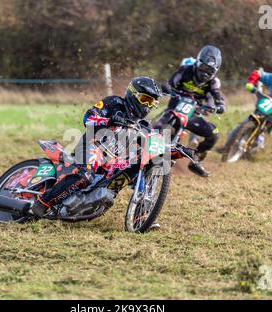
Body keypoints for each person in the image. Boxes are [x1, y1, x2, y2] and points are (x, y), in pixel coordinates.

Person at [31, 76, 195, 218]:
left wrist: (177, 149)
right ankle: (43, 202)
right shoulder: (114, 103)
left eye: (153, 103)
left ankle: (143, 215)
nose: (148, 106)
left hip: (111, 161)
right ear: (134, 94)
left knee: (138, 171)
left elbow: (155, 143)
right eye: (146, 100)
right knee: (85, 175)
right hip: (92, 145)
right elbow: (88, 118)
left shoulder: (143, 125)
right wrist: (110, 120)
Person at [159, 45, 227, 177]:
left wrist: (220, 105)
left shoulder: (214, 82)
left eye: (210, 70)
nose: (206, 73)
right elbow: (170, 83)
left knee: (214, 134)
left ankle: (195, 158)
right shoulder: (185, 70)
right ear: (197, 62)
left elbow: (218, 96)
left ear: (215, 71)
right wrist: (167, 88)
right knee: (158, 126)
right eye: (204, 68)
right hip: (174, 108)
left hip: (193, 113)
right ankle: (142, 150)